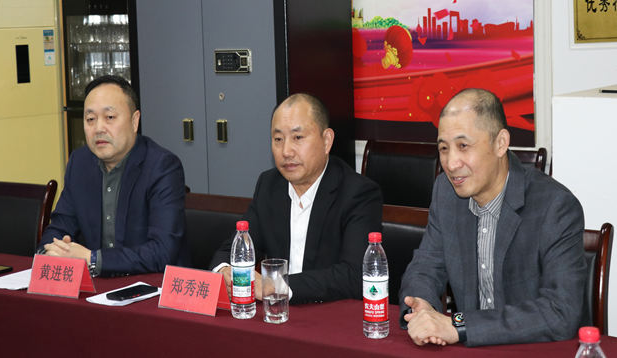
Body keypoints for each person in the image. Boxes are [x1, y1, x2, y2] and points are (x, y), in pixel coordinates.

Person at [399, 88, 587, 347]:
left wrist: (458, 325)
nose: (451, 163)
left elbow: (560, 312)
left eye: (463, 146)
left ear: (500, 143)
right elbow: (425, 266)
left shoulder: (555, 206)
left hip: (533, 350)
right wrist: (422, 306)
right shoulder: (446, 192)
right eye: (444, 148)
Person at [210, 93, 382, 304]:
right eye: (278, 139)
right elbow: (232, 249)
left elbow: (354, 275)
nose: (286, 151)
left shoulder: (358, 193)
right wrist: (225, 270)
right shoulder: (269, 185)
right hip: (277, 314)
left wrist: (277, 286)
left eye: (298, 138)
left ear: (326, 141)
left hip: (329, 314)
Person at [40, 75, 190, 276]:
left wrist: (93, 259)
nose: (98, 128)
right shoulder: (80, 163)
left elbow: (162, 251)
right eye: (90, 119)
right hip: (96, 286)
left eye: (110, 117)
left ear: (134, 121)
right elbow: (59, 227)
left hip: (151, 286)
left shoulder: (162, 167)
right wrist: (52, 252)